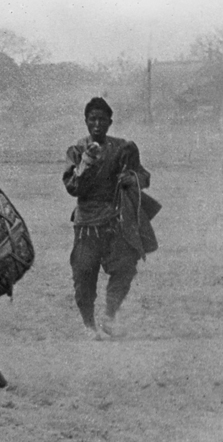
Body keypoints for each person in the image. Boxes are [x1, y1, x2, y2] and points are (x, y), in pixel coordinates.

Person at [63, 97, 157, 340]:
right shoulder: (76, 150)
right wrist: (85, 163)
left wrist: (132, 179)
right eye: (92, 119)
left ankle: (109, 317)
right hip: (86, 224)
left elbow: (144, 176)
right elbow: (72, 187)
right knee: (84, 274)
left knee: (125, 267)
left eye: (102, 119)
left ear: (109, 122)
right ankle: (89, 325)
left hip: (116, 221)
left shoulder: (123, 148)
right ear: (85, 121)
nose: (97, 124)